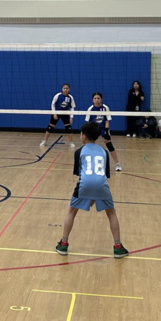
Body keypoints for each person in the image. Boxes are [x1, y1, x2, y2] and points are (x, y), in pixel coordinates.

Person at [54, 122, 128, 258]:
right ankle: (118, 247)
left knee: (71, 211)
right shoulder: (104, 152)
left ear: (84, 136)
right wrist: (94, 196)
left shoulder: (79, 152)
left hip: (84, 184)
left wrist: (89, 196)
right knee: (111, 213)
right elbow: (104, 175)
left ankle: (63, 244)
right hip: (101, 184)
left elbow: (80, 174)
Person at [85, 92, 121, 172]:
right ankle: (89, 164)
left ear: (101, 99)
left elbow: (107, 121)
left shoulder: (105, 108)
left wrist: (107, 132)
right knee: (89, 146)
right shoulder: (90, 109)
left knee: (109, 145)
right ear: (92, 100)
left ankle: (117, 164)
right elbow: (88, 122)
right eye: (95, 98)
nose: (97, 100)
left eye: (98, 98)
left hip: (103, 128)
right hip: (93, 128)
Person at [42, 84, 75, 148]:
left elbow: (72, 108)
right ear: (62, 89)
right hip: (57, 112)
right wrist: (54, 113)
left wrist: (71, 117)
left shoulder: (70, 97)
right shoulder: (57, 95)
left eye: (67, 88)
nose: (65, 89)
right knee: (50, 127)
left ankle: (71, 142)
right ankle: (45, 141)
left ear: (69, 89)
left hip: (65, 113)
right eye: (64, 88)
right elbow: (53, 104)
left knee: (68, 128)